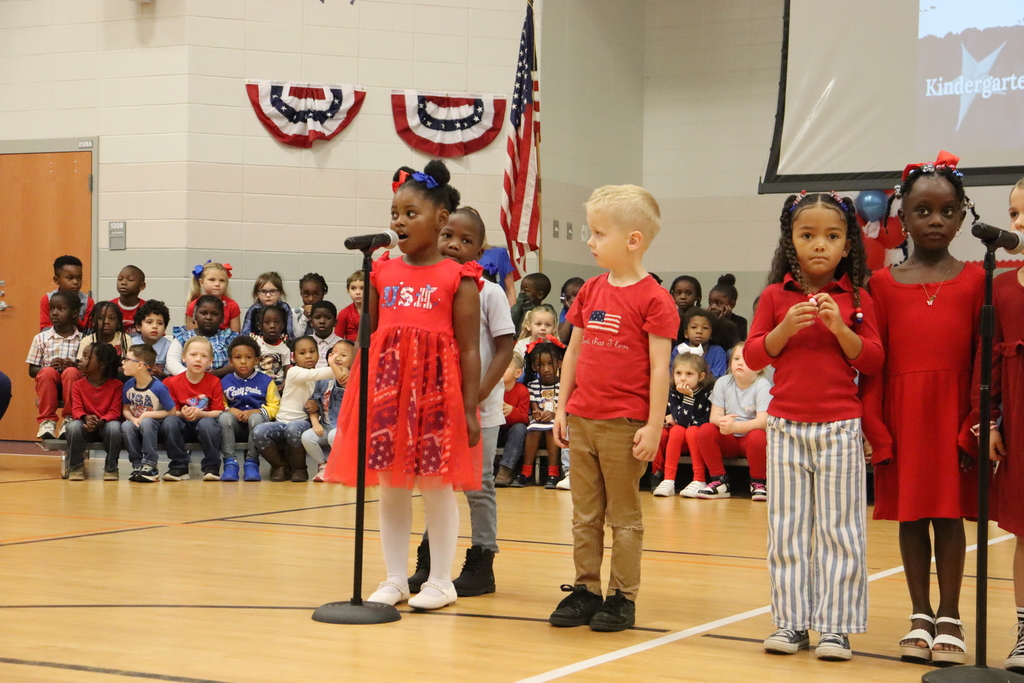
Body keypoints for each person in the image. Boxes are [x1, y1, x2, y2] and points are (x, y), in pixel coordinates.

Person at [324, 159, 482, 612]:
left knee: (436, 485)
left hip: (435, 395)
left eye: (411, 213)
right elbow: (366, 338)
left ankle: (440, 581)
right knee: (391, 486)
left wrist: (469, 409)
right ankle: (395, 577)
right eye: (395, 213)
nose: (399, 221)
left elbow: (469, 350)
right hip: (387, 393)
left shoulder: (459, 277)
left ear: (441, 219)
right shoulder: (381, 271)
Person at [744, 190, 882, 661]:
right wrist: (785, 329)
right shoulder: (773, 295)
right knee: (786, 528)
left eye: (832, 235)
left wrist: (842, 330)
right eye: (808, 235)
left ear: (847, 245)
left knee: (840, 529)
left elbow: (876, 359)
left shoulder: (859, 297)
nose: (819, 244)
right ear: (791, 241)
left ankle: (836, 628)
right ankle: (790, 623)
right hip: (784, 427)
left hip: (841, 427)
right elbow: (754, 354)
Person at [860, 153, 982, 664]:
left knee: (949, 516)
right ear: (902, 218)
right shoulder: (882, 284)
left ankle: (950, 615)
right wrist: (874, 426)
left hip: (953, 412)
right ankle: (919, 613)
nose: (936, 220)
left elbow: (981, 357)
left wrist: (976, 421)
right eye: (923, 211)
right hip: (903, 414)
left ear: (962, 216)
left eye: (948, 211)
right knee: (912, 517)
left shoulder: (978, 279)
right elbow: (872, 365)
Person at [549, 184, 677, 632]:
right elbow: (574, 353)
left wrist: (654, 426)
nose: (590, 241)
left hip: (624, 426)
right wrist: (562, 408)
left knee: (623, 517)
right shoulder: (590, 290)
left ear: (633, 240)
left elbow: (661, 369)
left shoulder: (654, 299)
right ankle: (585, 589)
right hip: (582, 419)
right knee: (584, 514)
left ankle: (623, 596)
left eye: (598, 233)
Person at [408, 205, 515, 597]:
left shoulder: (490, 292)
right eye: (448, 235)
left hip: (478, 409)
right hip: (435, 407)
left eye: (465, 240)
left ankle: (482, 561)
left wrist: (478, 395)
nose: (454, 245)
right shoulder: (428, 287)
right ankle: (429, 561)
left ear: (480, 249)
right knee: (436, 486)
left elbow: (504, 347)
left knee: (479, 485)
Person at [961, 176, 1024, 673]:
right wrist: (990, 423)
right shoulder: (1002, 286)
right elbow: (990, 363)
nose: (1018, 222)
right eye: (1015, 212)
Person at [252, 336, 333, 482]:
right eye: (302, 353)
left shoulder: (321, 380)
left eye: (312, 351)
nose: (308, 356)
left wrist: (316, 406)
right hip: (281, 422)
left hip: (302, 423)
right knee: (259, 431)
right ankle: (279, 466)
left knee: (294, 428)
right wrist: (341, 368)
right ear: (293, 357)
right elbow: (315, 374)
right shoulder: (294, 371)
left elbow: (320, 402)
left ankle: (299, 468)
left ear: (318, 354)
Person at [696, 342, 771, 500]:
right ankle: (719, 480)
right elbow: (714, 416)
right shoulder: (722, 382)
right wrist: (723, 422)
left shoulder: (762, 385)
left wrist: (736, 426)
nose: (740, 363)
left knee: (758, 436)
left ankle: (758, 482)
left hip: (749, 440)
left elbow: (763, 421)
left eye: (747, 359)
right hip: (728, 437)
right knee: (705, 430)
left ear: (759, 367)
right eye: (736, 358)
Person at [161, 336, 226, 481]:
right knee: (170, 421)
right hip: (181, 424)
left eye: (203, 356)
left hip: (203, 424)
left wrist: (201, 413)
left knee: (208, 424)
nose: (198, 359)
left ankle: (212, 467)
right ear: (183, 358)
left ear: (210, 361)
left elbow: (218, 411)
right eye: (193, 355)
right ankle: (179, 466)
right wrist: (182, 413)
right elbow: (170, 411)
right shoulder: (170, 382)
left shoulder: (214, 382)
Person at [219, 336, 280, 483]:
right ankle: (230, 463)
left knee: (256, 418)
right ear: (231, 361)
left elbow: (275, 407)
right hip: (234, 427)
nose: (243, 361)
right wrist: (229, 409)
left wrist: (257, 411)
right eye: (238, 357)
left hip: (257, 427)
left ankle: (252, 463)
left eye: (248, 357)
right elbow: (218, 404)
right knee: (224, 417)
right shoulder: (224, 381)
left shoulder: (267, 381)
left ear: (257, 360)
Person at [652, 353, 713, 498]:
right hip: (679, 438)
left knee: (692, 431)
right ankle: (668, 479)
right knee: (677, 430)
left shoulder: (709, 391)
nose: (682, 378)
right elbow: (681, 422)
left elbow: (705, 420)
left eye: (689, 374)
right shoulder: (673, 390)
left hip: (696, 438)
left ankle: (699, 479)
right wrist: (686, 400)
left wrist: (689, 397)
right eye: (678, 373)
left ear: (701, 377)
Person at [64, 342, 123, 481]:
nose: (80, 360)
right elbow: (77, 409)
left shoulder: (117, 385)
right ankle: (76, 467)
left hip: (105, 426)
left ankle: (111, 468)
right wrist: (86, 418)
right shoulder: (78, 385)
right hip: (85, 426)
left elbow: (115, 412)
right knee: (72, 427)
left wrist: (101, 421)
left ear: (102, 365)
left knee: (115, 427)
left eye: (86, 357)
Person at [27, 290, 83, 439]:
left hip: (73, 386)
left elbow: (87, 369)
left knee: (71, 372)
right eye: (52, 309)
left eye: (61, 309)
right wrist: (49, 367)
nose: (54, 313)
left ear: (74, 313)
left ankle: (69, 419)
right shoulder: (41, 338)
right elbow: (32, 370)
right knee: (46, 372)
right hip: (48, 386)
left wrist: (74, 366)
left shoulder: (83, 340)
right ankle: (47, 421)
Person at [511, 341, 562, 488]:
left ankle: (553, 473)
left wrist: (554, 414)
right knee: (534, 428)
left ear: (558, 364)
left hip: (556, 423)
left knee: (552, 429)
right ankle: (526, 472)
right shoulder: (532, 386)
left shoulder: (563, 384)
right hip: (538, 424)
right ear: (534, 367)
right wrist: (538, 413)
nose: (546, 369)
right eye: (541, 365)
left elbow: (563, 408)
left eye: (550, 364)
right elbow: (534, 409)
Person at [120, 344, 174, 483]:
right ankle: (137, 465)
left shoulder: (159, 387)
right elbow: (126, 409)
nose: (123, 362)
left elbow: (171, 411)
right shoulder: (128, 385)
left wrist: (146, 416)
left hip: (155, 427)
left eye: (127, 359)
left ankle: (151, 465)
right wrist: (133, 419)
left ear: (140, 365)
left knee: (148, 422)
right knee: (126, 426)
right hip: (136, 423)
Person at [304, 339, 354, 482]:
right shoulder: (323, 379)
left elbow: (342, 381)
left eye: (343, 355)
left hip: (345, 427)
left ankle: (341, 467)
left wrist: (332, 362)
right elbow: (314, 403)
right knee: (307, 437)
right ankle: (324, 466)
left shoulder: (350, 376)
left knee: (333, 435)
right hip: (326, 425)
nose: (337, 357)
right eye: (334, 353)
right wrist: (315, 423)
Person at [169, 295, 238, 378]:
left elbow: (237, 361)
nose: (208, 317)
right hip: (186, 382)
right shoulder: (183, 336)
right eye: (203, 313)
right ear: (194, 315)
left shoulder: (230, 338)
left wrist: (214, 374)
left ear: (222, 318)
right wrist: (191, 376)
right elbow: (172, 362)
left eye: (214, 314)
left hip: (220, 383)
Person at [494, 353, 530, 487]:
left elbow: (525, 418)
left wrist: (512, 411)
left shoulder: (522, 391)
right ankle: (481, 468)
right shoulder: (492, 389)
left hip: (511, 433)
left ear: (518, 373)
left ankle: (506, 470)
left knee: (520, 428)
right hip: (495, 430)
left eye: (505, 366)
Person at [38, 254, 94, 331]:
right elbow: (45, 327)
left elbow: (89, 330)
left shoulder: (88, 302)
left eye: (79, 278)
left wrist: (75, 319)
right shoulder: (47, 299)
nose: (75, 282)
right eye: (70, 278)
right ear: (56, 280)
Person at [672, 307, 729, 378]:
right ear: (686, 333)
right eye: (694, 327)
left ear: (711, 334)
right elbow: (671, 374)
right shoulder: (678, 350)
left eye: (705, 328)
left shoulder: (717, 352)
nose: (699, 331)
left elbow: (718, 377)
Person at [185, 261, 240, 331]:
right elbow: (191, 335)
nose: (217, 284)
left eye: (222, 280)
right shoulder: (194, 305)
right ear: (201, 282)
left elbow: (235, 335)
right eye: (212, 280)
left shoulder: (232, 305)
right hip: (200, 340)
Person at [249, 303, 291, 391]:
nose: (272, 326)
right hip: (256, 383)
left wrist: (284, 384)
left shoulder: (284, 349)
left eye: (277, 322)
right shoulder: (255, 344)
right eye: (267, 322)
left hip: (277, 384)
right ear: (259, 326)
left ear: (283, 326)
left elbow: (287, 371)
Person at [241, 271, 295, 337]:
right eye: (263, 291)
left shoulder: (284, 308)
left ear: (280, 293)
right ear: (257, 294)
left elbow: (289, 332)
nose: (268, 295)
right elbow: (245, 333)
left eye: (272, 291)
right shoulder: (254, 310)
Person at [130, 300, 172, 379]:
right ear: (138, 326)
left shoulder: (170, 347)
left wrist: (160, 374)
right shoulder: (131, 342)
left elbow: (170, 377)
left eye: (160, 323)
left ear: (165, 329)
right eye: (149, 322)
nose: (155, 326)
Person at [510, 272, 551, 336]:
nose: (521, 293)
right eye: (521, 289)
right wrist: (519, 303)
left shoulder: (547, 310)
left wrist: (528, 306)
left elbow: (532, 322)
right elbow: (511, 323)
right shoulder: (519, 308)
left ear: (540, 295)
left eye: (526, 291)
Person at [708, 274, 747, 340]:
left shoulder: (740, 322)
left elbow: (736, 344)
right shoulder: (706, 320)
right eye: (710, 303)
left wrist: (723, 321)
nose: (713, 307)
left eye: (718, 303)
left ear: (732, 304)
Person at [111, 265, 146, 336]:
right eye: (120, 279)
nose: (123, 282)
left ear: (142, 286)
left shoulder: (147, 309)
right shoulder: (109, 307)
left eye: (130, 280)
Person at [668, 275, 701, 344]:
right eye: (678, 293)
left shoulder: (702, 316)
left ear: (697, 296)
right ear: (672, 294)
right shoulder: (669, 317)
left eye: (688, 293)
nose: (683, 297)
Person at [294, 272, 328, 337]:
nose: (310, 299)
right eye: (306, 294)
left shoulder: (327, 313)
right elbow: (296, 337)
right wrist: (304, 316)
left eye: (315, 295)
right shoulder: (295, 313)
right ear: (301, 293)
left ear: (323, 294)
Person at [308, 300, 341, 368]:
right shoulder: (305, 342)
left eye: (327, 318)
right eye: (317, 317)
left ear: (335, 322)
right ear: (311, 322)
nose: (322, 321)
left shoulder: (341, 344)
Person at [333, 271, 364, 341]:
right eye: (353, 288)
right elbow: (337, 340)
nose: (357, 292)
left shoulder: (377, 311)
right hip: (351, 350)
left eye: (362, 288)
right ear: (348, 290)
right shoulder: (344, 314)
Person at [557, 277, 585, 345]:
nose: (572, 300)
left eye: (575, 294)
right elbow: (562, 338)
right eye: (568, 297)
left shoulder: (589, 310)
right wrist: (571, 312)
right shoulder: (565, 311)